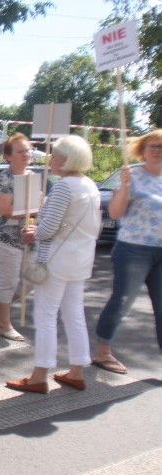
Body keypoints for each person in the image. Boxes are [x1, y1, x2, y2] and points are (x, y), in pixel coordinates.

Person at [6, 135, 101, 394]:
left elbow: (47, 228)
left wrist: (32, 232)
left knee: (46, 316)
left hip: (57, 259)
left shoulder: (63, 187)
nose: (51, 159)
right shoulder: (89, 185)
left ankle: (39, 374)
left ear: (66, 158)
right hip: (80, 259)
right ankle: (77, 370)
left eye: (55, 154)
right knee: (74, 314)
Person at [92, 129, 162, 373]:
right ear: (142, 150)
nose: (156, 150)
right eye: (152, 146)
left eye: (161, 146)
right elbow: (115, 213)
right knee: (123, 299)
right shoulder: (132, 175)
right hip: (133, 248)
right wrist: (123, 186)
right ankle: (102, 351)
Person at [0, 132, 35, 342]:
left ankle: (0, 304)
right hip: (6, 237)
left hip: (29, 237)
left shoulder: (33, 176)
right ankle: (3, 324)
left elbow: (37, 210)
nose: (26, 154)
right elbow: (5, 209)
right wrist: (33, 207)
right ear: (9, 156)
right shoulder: (4, 177)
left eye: (28, 150)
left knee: (32, 279)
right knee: (8, 281)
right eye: (21, 151)